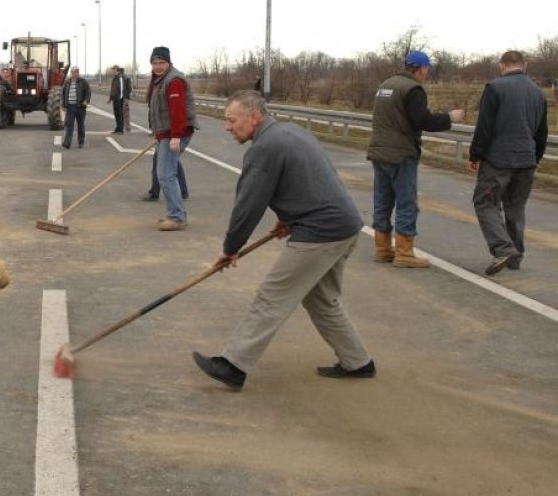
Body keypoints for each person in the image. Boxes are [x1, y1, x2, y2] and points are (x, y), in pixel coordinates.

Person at [193, 90, 374, 392]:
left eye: (231, 120)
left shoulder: (264, 148)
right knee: (321, 300)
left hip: (321, 232)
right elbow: (311, 180)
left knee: (272, 296)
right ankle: (358, 361)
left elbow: (248, 206)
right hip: (345, 225)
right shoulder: (290, 132)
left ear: (254, 117)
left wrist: (230, 249)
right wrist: (289, 219)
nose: (227, 126)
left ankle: (233, 365)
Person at [366, 51, 464, 268]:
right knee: (406, 203)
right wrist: (449, 117)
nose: (427, 73)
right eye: (427, 69)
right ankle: (404, 252)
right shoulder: (413, 89)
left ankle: (382, 249)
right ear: (421, 68)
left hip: (379, 152)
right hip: (401, 153)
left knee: (382, 201)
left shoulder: (386, 85)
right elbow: (422, 120)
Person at [468, 50, 549, 276]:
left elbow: (484, 127)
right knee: (515, 207)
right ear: (525, 65)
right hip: (526, 160)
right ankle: (516, 256)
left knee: (485, 202)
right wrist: (536, 158)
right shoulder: (538, 93)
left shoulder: (495, 88)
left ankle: (503, 249)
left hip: (498, 159)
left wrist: (475, 155)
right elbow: (542, 133)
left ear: (501, 65)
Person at [146, 46, 196, 231]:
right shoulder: (159, 79)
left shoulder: (174, 81)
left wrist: (175, 136)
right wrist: (159, 135)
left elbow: (178, 112)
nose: (158, 66)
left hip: (175, 133)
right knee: (166, 172)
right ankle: (174, 213)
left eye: (161, 63)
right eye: (154, 62)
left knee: (166, 175)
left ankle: (177, 217)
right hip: (166, 134)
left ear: (169, 63)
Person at [61, 66, 90, 149]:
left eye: (77, 72)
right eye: (74, 72)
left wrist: (86, 101)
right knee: (69, 125)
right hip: (70, 107)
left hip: (80, 107)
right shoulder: (67, 82)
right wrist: (63, 104)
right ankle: (67, 142)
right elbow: (63, 94)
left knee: (80, 125)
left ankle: (81, 142)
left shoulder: (83, 82)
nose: (76, 73)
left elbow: (88, 93)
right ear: (71, 73)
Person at [108, 65, 130, 134]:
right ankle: (117, 128)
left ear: (116, 70)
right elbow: (113, 89)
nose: (112, 71)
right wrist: (110, 98)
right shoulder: (115, 78)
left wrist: (120, 98)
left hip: (119, 99)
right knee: (116, 114)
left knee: (120, 114)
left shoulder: (120, 77)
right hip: (115, 99)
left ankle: (121, 130)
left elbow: (121, 88)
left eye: (113, 69)